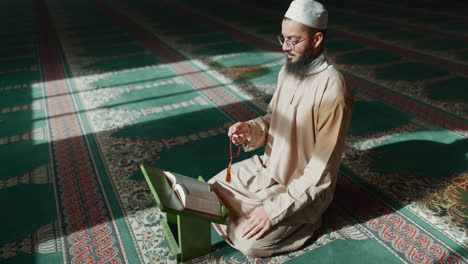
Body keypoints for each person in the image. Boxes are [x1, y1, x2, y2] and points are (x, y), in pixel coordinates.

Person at [208, 0, 353, 257]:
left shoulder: (333, 89)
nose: (285, 47)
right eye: (283, 38)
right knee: (207, 193)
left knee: (250, 244)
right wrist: (251, 129)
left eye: (293, 40)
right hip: (270, 168)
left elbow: (320, 174)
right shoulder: (289, 70)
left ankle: (306, 220)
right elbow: (273, 119)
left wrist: (273, 212)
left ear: (317, 38)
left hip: (302, 186)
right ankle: (253, 212)